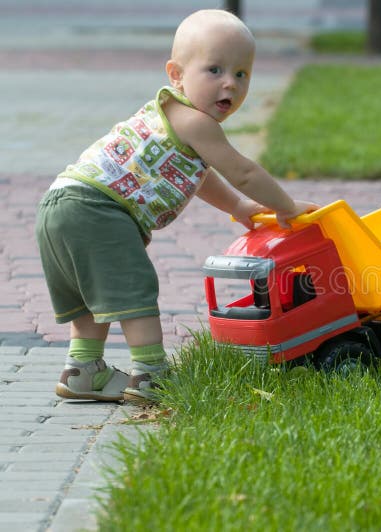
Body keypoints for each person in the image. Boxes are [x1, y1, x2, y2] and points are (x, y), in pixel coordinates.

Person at [35, 9, 317, 404]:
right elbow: (243, 171)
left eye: (241, 74)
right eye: (214, 69)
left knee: (90, 293)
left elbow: (196, 174)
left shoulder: (171, 117)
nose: (229, 85)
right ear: (176, 74)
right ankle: (151, 375)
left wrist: (237, 206)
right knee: (134, 289)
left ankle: (83, 370)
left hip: (60, 203)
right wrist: (284, 206)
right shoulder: (196, 122)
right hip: (97, 208)